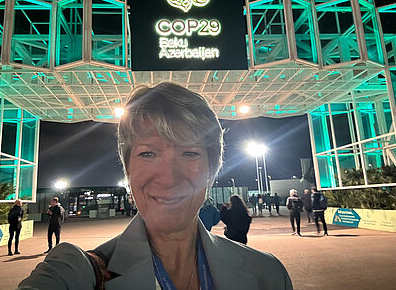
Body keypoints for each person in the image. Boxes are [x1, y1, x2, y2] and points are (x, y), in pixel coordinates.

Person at [19, 82, 292, 290]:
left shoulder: (269, 274)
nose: (168, 177)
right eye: (148, 154)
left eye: (189, 153)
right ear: (128, 170)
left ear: (212, 169)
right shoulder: (79, 273)